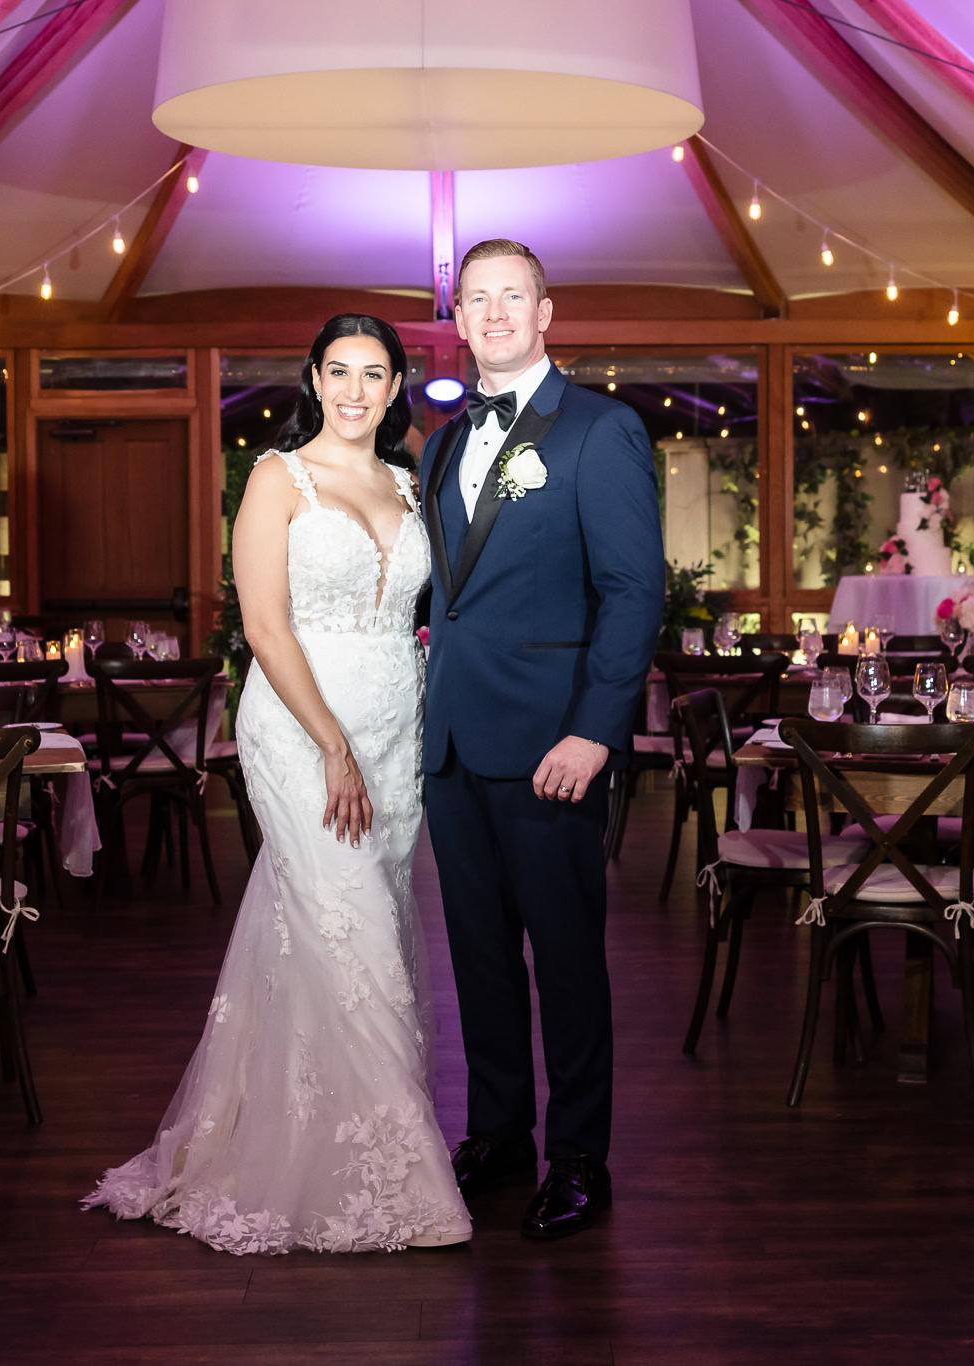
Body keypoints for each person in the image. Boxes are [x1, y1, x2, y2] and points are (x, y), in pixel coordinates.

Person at [83, 315, 471, 1255]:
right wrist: (333, 745)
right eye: (339, 371)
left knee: (353, 925)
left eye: (373, 374)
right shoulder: (276, 477)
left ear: (395, 388)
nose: (354, 390)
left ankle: (304, 1144)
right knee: (350, 926)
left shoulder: (410, 483)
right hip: (303, 733)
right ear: (314, 378)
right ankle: (400, 1178)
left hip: (396, 733)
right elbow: (263, 625)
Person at [419, 239, 662, 1240]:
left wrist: (593, 733)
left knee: (564, 959)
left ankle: (577, 1156)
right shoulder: (439, 444)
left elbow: (632, 593)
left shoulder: (600, 430)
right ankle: (498, 1134)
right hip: (451, 745)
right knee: (478, 959)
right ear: (459, 320)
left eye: (512, 295)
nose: (494, 312)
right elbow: (449, 601)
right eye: (476, 298)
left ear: (545, 312)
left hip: (553, 747)